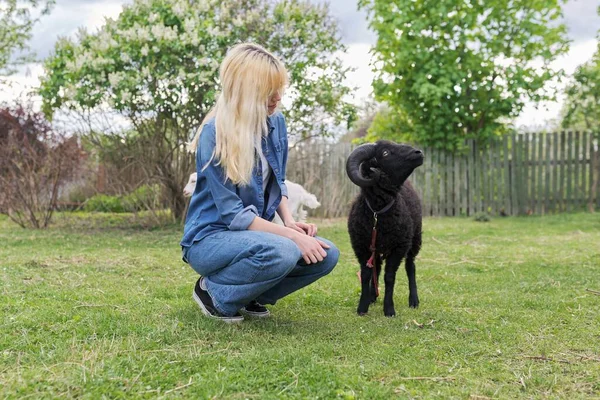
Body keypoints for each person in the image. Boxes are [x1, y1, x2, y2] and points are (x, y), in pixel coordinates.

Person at [181, 43, 340, 323]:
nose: (277, 97)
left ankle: (251, 293)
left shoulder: (275, 123)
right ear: (244, 91)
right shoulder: (214, 134)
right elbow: (233, 215)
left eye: (279, 88)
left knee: (326, 254)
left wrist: (290, 223)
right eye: (268, 90)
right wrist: (291, 237)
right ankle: (213, 292)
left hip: (256, 237)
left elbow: (278, 184)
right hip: (209, 240)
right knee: (285, 249)